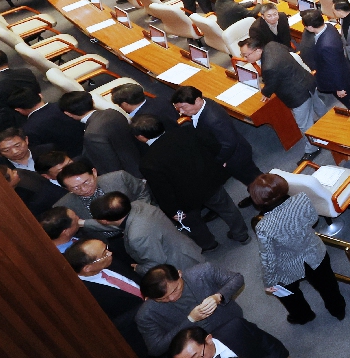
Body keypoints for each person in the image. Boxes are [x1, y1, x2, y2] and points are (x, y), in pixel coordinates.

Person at [131, 114, 250, 252]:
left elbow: (162, 190)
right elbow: (214, 146)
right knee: (227, 208)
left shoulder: (148, 163)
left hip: (184, 199)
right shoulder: (187, 131)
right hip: (210, 181)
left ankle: (209, 245)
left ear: (141, 137)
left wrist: (171, 210)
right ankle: (241, 234)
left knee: (194, 224)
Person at [250, 173, 346, 324]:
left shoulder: (263, 226)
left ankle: (303, 315)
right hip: (315, 253)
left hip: (288, 266)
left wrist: (269, 282)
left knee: (288, 294)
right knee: (328, 285)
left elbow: (268, 258)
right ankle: (338, 310)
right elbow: (313, 219)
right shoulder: (302, 198)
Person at [136, 263, 287, 358]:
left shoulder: (202, 272)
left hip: (234, 328)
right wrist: (190, 321)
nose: (171, 298)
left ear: (180, 274)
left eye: (175, 290)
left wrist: (218, 296)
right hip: (200, 351)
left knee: (258, 346)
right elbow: (156, 348)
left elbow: (236, 278)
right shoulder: (146, 315)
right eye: (162, 299)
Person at [239, 37, 324, 163]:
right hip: (306, 80)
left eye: (246, 55)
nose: (245, 59)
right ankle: (328, 123)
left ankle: (313, 148)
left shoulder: (268, 67)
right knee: (318, 105)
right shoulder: (273, 44)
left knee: (304, 125)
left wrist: (265, 92)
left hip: (297, 96)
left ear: (257, 51)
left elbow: (271, 84)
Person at [65, 239, 149, 357]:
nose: (109, 253)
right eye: (104, 254)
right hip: (141, 335)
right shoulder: (83, 295)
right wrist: (147, 306)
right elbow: (111, 325)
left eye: (106, 249)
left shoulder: (110, 262)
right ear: (87, 268)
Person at [170, 85, 261, 194]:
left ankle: (269, 196)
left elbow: (229, 144)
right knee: (248, 179)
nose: (180, 112)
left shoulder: (214, 119)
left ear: (198, 100)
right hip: (230, 153)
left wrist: (219, 161)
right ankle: (255, 193)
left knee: (254, 178)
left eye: (183, 107)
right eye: (178, 108)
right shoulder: (203, 105)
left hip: (235, 157)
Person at [90, 192, 204, 273]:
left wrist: (138, 268)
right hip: (186, 250)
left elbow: (157, 263)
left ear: (104, 221)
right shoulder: (138, 205)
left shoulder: (137, 236)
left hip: (181, 267)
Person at [55, 158, 153, 239]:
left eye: (86, 182)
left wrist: (135, 219)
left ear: (94, 173)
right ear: (66, 188)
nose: (84, 189)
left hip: (143, 225)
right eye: (75, 188)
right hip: (107, 243)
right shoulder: (64, 206)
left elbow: (143, 192)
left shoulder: (119, 178)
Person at [65, 90, 144, 178]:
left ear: (68, 113)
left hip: (132, 174)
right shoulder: (112, 112)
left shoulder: (92, 135)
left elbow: (110, 166)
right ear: (92, 102)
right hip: (143, 157)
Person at [298, 9, 350, 113]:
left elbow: (334, 68)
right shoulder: (329, 26)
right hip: (343, 66)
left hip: (337, 78)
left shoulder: (326, 46)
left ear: (310, 27)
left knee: (349, 101)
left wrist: (339, 88)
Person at [0, 49, 41, 131]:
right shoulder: (26, 72)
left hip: (23, 126)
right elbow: (37, 91)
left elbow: (0, 116)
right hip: (41, 109)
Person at [14, 89, 83, 156]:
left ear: (18, 110)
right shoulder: (67, 105)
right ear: (40, 95)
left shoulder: (28, 129)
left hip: (73, 157)